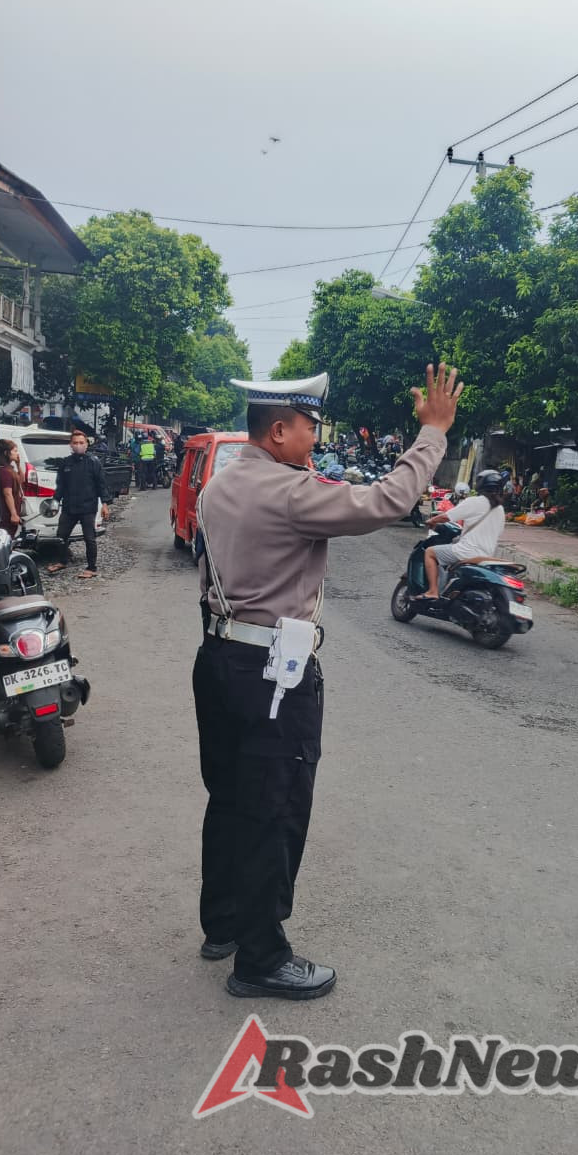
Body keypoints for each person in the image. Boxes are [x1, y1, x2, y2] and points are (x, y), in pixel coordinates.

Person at [192, 362, 462, 1001]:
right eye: (311, 427)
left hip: (218, 659)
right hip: (272, 678)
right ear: (279, 429)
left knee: (229, 800)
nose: (316, 438)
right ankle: (260, 959)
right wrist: (434, 433)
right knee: (273, 809)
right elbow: (387, 502)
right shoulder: (288, 491)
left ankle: (224, 925)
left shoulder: (218, 487)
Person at [419, 468, 506, 600]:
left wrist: (431, 520)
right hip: (487, 556)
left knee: (430, 552)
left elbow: (447, 516)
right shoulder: (500, 510)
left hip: (467, 552)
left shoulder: (475, 501)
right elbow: (498, 533)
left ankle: (432, 591)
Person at [46, 430, 112, 579]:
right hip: (69, 507)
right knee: (61, 536)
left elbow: (102, 485)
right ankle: (62, 561)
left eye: (81, 443)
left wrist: (105, 504)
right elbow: (61, 486)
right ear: (71, 445)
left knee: (89, 538)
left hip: (88, 507)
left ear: (87, 444)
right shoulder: (66, 463)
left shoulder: (94, 462)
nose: (78, 446)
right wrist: (54, 502)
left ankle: (92, 568)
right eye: (75, 443)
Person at [0, 439, 24, 538]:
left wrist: (18, 465)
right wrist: (13, 514)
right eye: (15, 451)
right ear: (6, 453)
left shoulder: (10, 469)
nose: (17, 453)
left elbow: (21, 480)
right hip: (6, 513)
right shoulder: (4, 472)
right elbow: (7, 493)